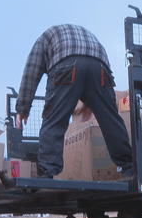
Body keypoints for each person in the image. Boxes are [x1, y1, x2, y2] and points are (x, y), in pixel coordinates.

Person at [15, 24, 133, 179]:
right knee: (110, 119)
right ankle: (130, 168)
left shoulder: (44, 39)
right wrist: (91, 103)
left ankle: (47, 173)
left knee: (55, 119)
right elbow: (89, 71)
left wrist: (22, 108)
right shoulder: (87, 35)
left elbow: (31, 72)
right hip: (100, 66)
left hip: (66, 63)